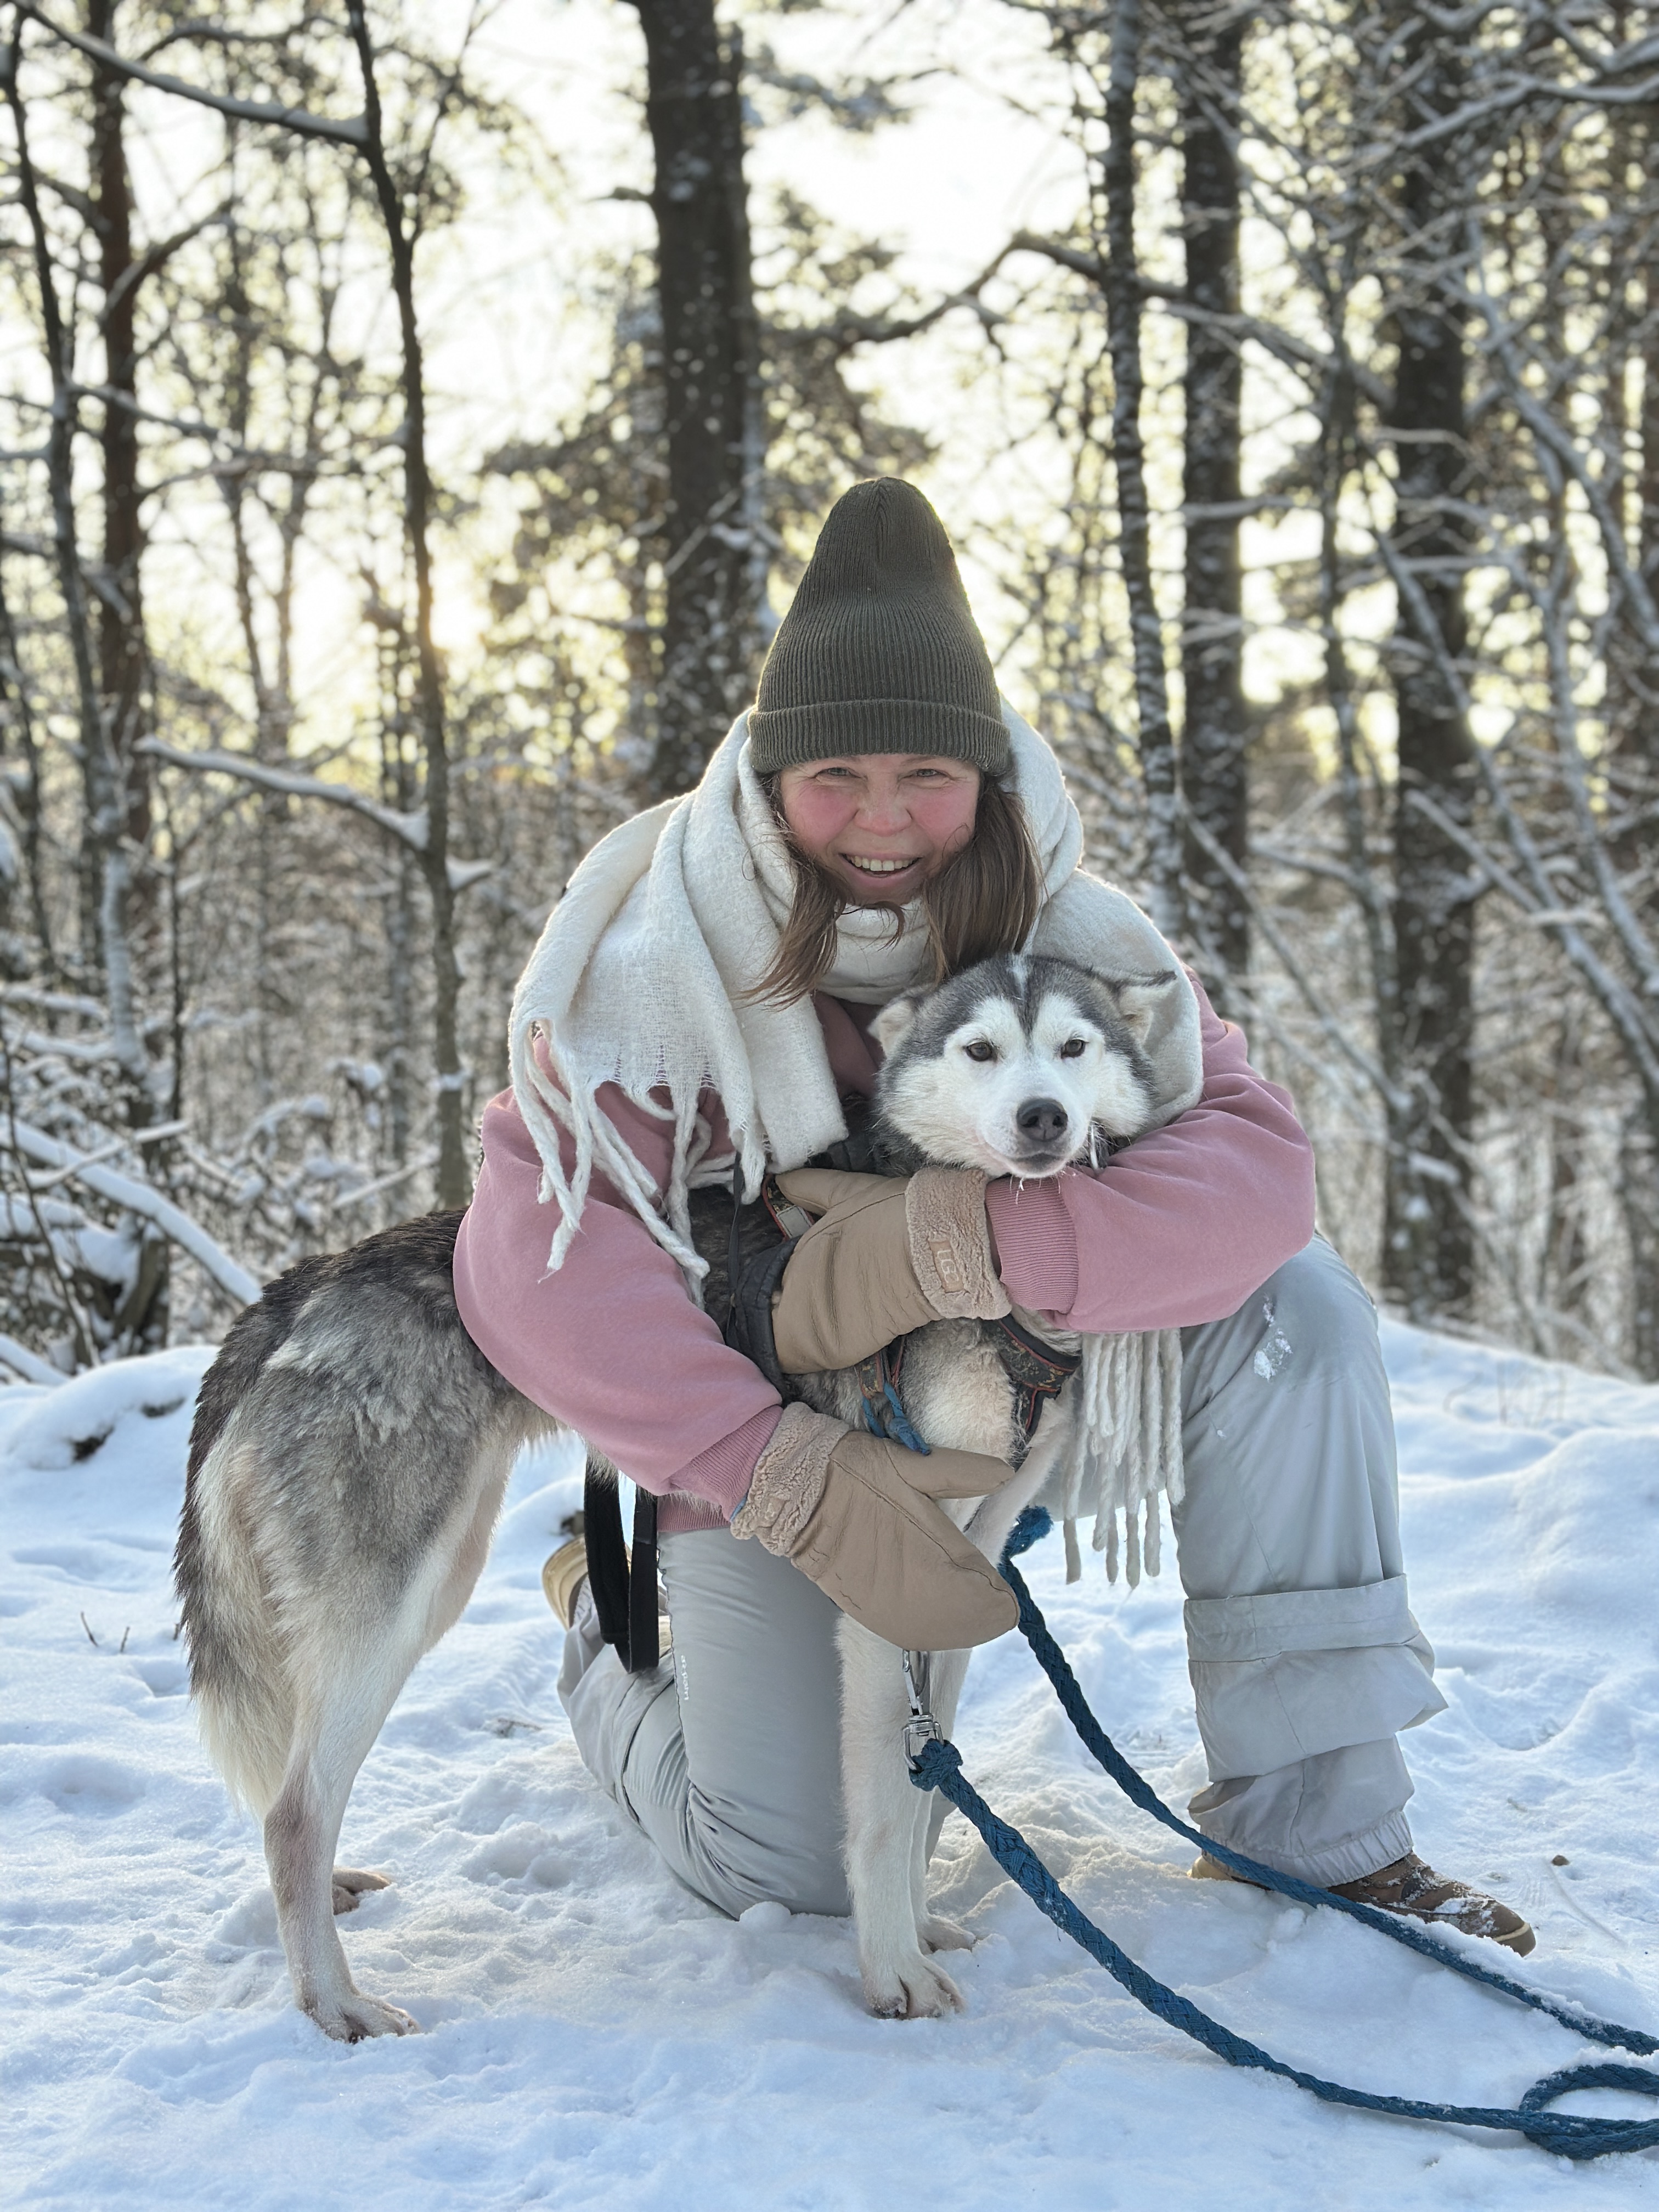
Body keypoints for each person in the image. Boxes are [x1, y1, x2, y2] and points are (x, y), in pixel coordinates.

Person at [454, 477, 1533, 1954]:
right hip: (783, 1434)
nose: (882, 822)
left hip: (1032, 1388)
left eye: (925, 777)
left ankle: (1322, 1834)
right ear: (771, 783)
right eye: (835, 778)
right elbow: (532, 1258)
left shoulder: (1078, 937)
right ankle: (606, 1627)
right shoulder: (663, 964)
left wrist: (975, 1244)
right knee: (798, 1874)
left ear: (987, 778)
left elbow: (1259, 1171)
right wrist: (772, 1464)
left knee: (1303, 1319)